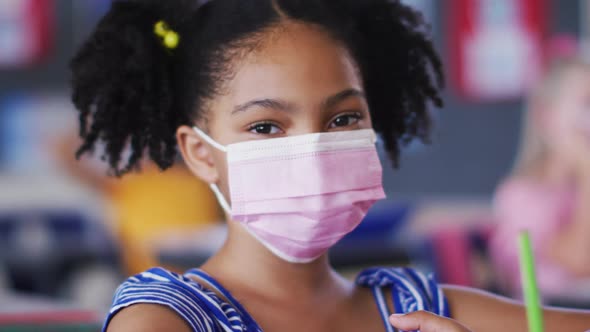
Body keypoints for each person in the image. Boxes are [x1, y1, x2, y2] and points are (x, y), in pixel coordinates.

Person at [69, 0, 590, 331]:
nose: (314, 151)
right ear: (201, 153)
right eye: (266, 127)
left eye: (342, 118)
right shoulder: (164, 321)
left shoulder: (419, 306)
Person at [490, 56, 590, 301]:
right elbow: (580, 260)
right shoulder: (522, 196)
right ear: (547, 116)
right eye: (586, 105)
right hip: (555, 316)